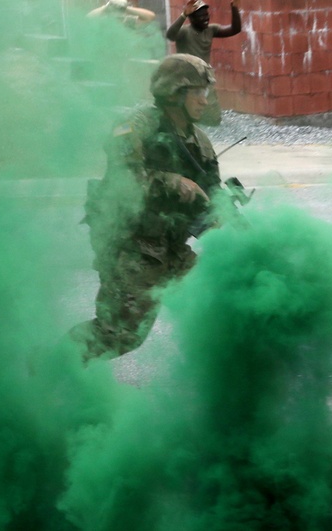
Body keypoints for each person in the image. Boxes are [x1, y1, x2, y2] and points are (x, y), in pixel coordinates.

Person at [69, 54, 222, 361]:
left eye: (206, 93)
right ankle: (54, 365)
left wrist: (224, 220)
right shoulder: (136, 127)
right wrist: (171, 182)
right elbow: (123, 182)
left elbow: (210, 198)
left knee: (221, 300)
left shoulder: (199, 142)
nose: (205, 101)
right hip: (131, 243)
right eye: (198, 92)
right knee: (119, 335)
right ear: (175, 93)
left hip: (172, 247)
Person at [164, 0, 243, 126]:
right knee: (184, 108)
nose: (206, 19)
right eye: (201, 16)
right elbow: (170, 35)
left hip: (204, 76)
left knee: (213, 118)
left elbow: (235, 29)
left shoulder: (211, 30)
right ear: (192, 19)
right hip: (186, 77)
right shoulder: (185, 32)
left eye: (207, 15)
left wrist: (234, 8)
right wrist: (183, 15)